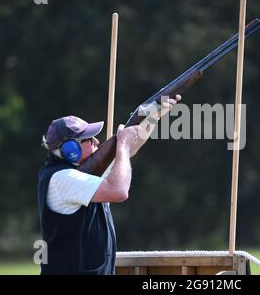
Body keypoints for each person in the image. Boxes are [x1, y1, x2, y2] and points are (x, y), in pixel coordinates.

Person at [37, 95, 181, 275]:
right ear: (70, 150)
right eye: (89, 139)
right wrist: (122, 146)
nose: (97, 141)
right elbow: (119, 191)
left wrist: (155, 114)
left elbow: (131, 147)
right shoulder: (62, 179)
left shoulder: (79, 171)